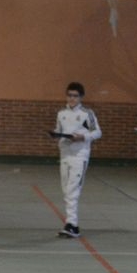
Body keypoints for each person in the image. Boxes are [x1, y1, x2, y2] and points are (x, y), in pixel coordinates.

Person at [53, 82, 102, 238]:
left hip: (79, 156)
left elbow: (97, 132)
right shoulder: (61, 113)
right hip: (65, 155)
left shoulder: (87, 114)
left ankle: (72, 224)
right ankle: (70, 224)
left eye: (75, 96)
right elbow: (59, 130)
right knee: (65, 189)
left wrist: (82, 137)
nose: (72, 99)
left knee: (72, 190)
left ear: (81, 97)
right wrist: (56, 135)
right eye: (69, 95)